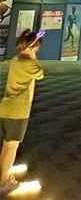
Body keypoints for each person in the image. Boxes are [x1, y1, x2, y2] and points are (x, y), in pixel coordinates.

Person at [0, 30, 45, 196]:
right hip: (18, 111)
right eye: (36, 49)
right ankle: (3, 183)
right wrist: (33, 56)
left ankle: (2, 175)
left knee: (7, 145)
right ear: (31, 48)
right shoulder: (29, 64)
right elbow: (40, 74)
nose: (37, 52)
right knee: (12, 147)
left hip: (5, 108)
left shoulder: (15, 60)